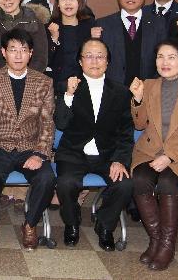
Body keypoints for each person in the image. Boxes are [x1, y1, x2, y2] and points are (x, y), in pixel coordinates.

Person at [129, 39, 178, 271]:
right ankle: (157, 240)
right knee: (140, 179)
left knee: (167, 182)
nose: (165, 62)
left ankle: (167, 245)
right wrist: (138, 99)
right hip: (149, 151)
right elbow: (140, 124)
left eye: (171, 57)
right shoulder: (149, 85)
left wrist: (169, 156)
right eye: (160, 57)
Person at [0, 28, 56, 251]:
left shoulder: (43, 82)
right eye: (13, 50)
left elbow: (47, 123)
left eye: (23, 50)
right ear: (3, 52)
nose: (18, 55)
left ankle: (30, 225)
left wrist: (39, 154)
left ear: (31, 53)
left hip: (30, 146)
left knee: (47, 178)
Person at [54, 38, 134, 251]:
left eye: (100, 56)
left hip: (107, 154)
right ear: (80, 61)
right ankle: (72, 223)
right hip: (73, 152)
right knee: (65, 183)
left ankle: (105, 225)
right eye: (88, 56)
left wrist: (119, 160)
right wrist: (68, 95)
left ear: (108, 61)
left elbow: (126, 134)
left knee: (125, 184)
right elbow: (60, 123)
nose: (95, 61)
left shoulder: (121, 92)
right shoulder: (68, 86)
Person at [95, 0, 167, 86]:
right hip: (113, 90)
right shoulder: (103, 25)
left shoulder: (158, 24)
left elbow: (164, 58)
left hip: (148, 89)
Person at [47, 0, 96, 94]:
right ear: (58, 4)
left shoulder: (90, 26)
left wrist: (95, 40)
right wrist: (54, 39)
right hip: (58, 87)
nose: (68, 3)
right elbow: (45, 62)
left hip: (84, 85)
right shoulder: (50, 27)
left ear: (79, 2)